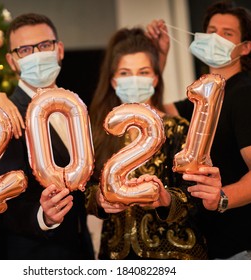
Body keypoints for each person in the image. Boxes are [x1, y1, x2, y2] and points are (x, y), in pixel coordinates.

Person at [146, 1, 251, 259]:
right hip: (209, 248)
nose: (216, 37)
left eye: (227, 33)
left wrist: (221, 198)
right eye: (211, 30)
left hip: (243, 251)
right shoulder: (203, 98)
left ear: (245, 47)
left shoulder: (248, 96)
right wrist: (160, 57)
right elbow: (151, 113)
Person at [86, 27, 222, 260]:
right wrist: (99, 199)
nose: (134, 80)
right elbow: (85, 190)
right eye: (125, 73)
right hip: (117, 256)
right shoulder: (100, 131)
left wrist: (164, 198)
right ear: (113, 81)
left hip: (174, 254)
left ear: (155, 78)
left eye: (143, 71)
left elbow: (195, 196)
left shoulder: (179, 128)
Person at [0, 13, 94, 259]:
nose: (36, 55)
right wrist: (42, 216)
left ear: (59, 50)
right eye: (25, 50)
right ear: (12, 61)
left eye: (44, 46)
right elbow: (1, 199)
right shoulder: (3, 116)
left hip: (79, 249)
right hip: (32, 254)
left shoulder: (78, 106)